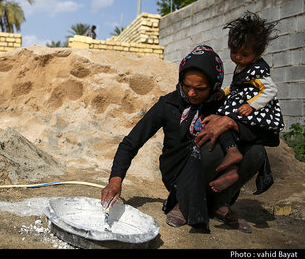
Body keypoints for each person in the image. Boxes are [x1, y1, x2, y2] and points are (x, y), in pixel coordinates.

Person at [101, 45, 278, 233]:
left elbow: (269, 137)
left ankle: (219, 203)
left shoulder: (225, 103)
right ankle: (183, 202)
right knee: (210, 145)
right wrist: (115, 180)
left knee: (257, 152)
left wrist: (230, 123)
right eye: (187, 86)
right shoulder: (168, 104)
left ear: (214, 85)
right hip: (178, 171)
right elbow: (130, 143)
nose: (192, 93)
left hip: (213, 171)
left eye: (200, 89)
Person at [210, 12, 284, 194]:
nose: (237, 57)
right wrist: (223, 92)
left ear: (258, 53)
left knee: (225, 121)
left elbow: (271, 90)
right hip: (242, 103)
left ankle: (233, 153)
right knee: (230, 127)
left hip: (253, 108)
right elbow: (236, 87)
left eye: (244, 54)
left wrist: (252, 105)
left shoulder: (259, 70)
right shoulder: (243, 66)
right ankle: (239, 167)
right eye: (234, 52)